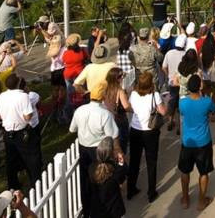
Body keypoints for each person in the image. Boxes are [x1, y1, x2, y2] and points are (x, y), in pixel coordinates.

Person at [70, 94, 120, 218]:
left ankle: (88, 210)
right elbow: (112, 135)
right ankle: (103, 208)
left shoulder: (79, 111)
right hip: (99, 149)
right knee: (103, 179)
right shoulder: (104, 114)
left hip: (84, 148)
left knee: (86, 181)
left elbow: (72, 129)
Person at [0, 73, 42, 191]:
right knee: (32, 158)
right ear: (18, 84)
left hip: (7, 132)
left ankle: (13, 185)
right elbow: (27, 117)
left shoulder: (2, 96)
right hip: (22, 132)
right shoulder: (23, 97)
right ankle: (35, 183)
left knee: (11, 160)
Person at [124, 71, 166, 203]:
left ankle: (131, 189)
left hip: (135, 130)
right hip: (150, 131)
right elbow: (163, 111)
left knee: (134, 161)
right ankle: (151, 192)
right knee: (151, 162)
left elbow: (129, 108)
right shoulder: (155, 95)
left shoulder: (134, 94)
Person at [177, 75, 215, 211]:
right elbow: (214, 116)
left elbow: (182, 114)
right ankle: (201, 201)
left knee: (185, 171)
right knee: (204, 172)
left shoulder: (182, 102)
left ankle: (185, 198)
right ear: (200, 86)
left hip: (187, 142)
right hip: (203, 142)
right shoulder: (207, 101)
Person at [88, 138, 128, 218]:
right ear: (112, 153)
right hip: (115, 211)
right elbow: (123, 176)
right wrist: (121, 162)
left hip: (98, 211)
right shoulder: (116, 170)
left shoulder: (92, 167)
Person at [162, 35, 186, 132]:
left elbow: (163, 67)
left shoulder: (169, 53)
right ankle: (180, 127)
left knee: (171, 103)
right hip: (182, 83)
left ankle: (170, 121)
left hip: (171, 82)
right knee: (181, 105)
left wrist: (168, 75)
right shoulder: (185, 54)